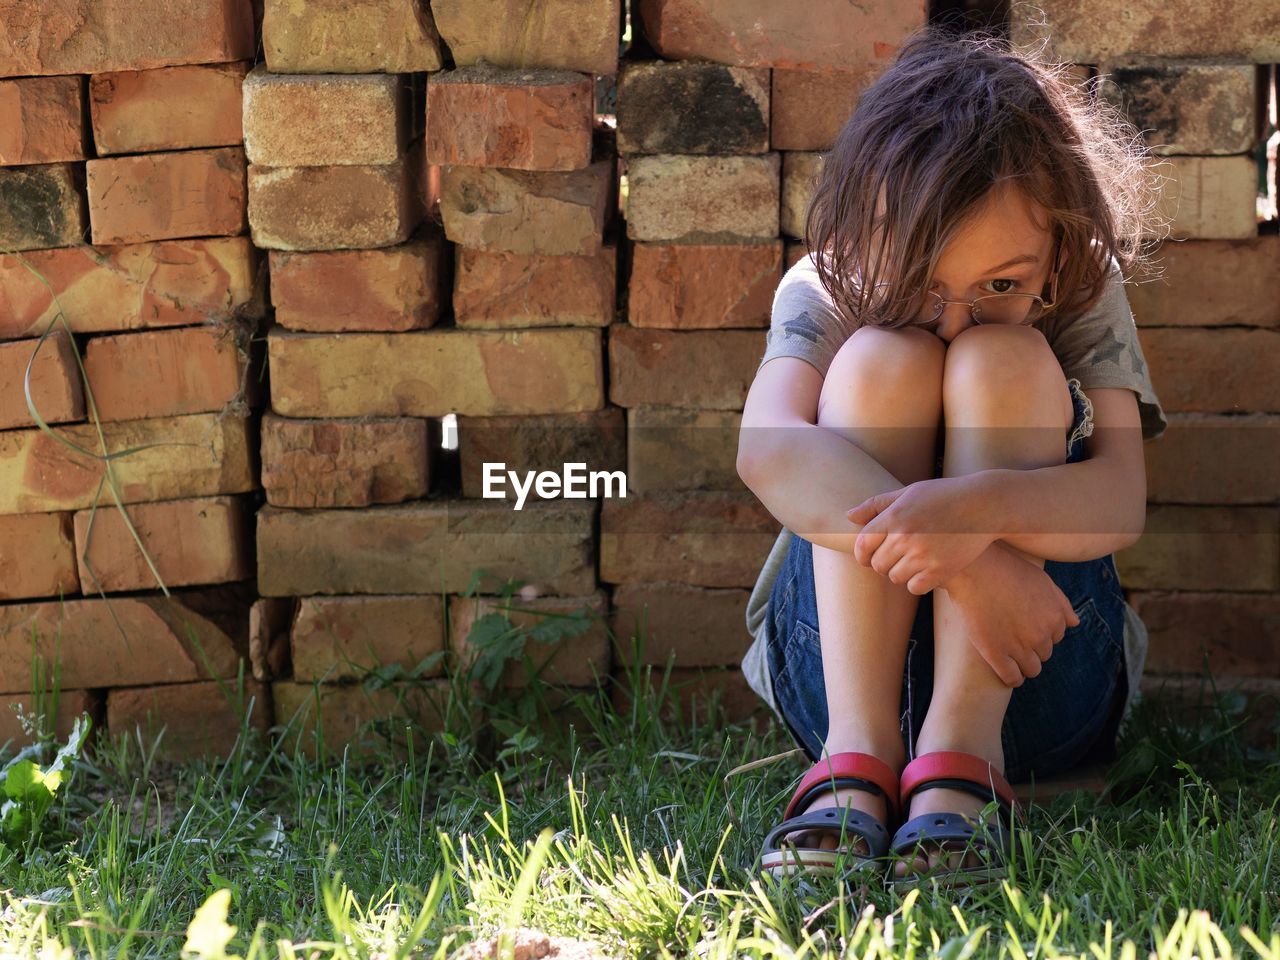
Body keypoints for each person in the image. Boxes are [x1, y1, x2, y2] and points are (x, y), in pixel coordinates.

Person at [736, 25, 1170, 887]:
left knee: (1001, 360)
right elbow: (768, 449)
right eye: (920, 281)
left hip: (1039, 674)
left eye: (1001, 286)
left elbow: (1121, 497)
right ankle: (857, 761)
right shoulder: (829, 279)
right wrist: (975, 569)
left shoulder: (1085, 285)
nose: (953, 320)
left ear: (1056, 250)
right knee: (880, 359)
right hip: (835, 680)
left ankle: (961, 763)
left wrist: (970, 513)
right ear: (866, 231)